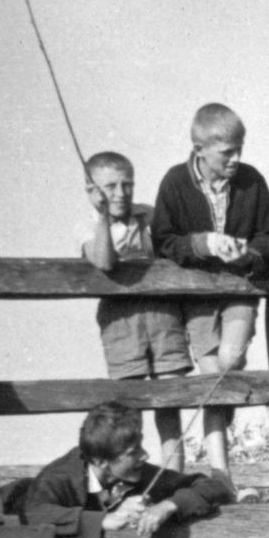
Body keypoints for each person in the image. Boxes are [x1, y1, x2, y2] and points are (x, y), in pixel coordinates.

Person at [151, 103, 269, 483]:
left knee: (229, 359)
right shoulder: (175, 182)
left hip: (240, 290)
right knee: (212, 382)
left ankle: (221, 469)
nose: (236, 159)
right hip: (197, 301)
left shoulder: (251, 181)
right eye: (227, 152)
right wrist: (203, 243)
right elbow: (163, 240)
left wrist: (250, 253)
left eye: (240, 149)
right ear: (200, 150)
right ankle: (222, 474)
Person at [77, 151, 187, 474]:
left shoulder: (150, 216)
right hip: (120, 322)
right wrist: (102, 217)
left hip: (163, 315)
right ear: (91, 189)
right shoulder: (86, 226)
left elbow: (170, 247)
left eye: (127, 185)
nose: (121, 193)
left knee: (170, 403)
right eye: (110, 186)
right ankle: (133, 480)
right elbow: (104, 261)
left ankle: (174, 478)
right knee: (129, 410)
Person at [15, 402, 233, 538]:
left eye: (141, 446)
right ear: (100, 461)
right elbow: (31, 514)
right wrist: (104, 520)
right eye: (132, 452)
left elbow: (215, 487)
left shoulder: (138, 471)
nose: (145, 455)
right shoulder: (58, 478)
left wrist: (167, 506)